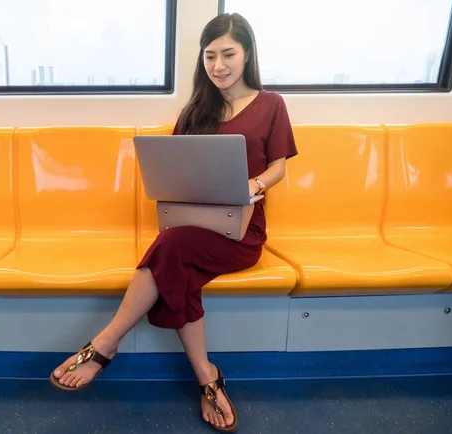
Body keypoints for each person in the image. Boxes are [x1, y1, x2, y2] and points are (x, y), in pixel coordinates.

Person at [50, 12, 298, 432]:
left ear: (248, 53)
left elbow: (278, 167)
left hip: (241, 228)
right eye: (210, 56)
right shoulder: (196, 109)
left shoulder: (271, 104)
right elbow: (174, 169)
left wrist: (252, 183)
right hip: (190, 223)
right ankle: (208, 377)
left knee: (171, 251)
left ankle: (105, 344)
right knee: (178, 257)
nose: (218, 66)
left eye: (228, 54)